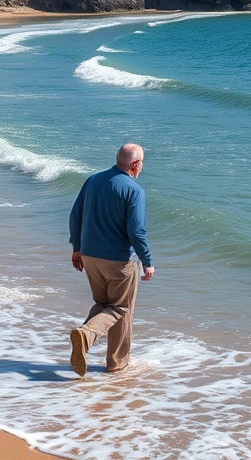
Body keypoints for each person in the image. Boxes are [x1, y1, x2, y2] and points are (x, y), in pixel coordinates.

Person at [68, 143, 154, 376]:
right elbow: (136, 232)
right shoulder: (134, 190)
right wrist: (147, 261)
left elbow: (75, 216)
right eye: (142, 162)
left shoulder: (93, 180)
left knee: (103, 304)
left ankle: (87, 343)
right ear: (135, 164)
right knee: (120, 308)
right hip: (118, 261)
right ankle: (104, 352)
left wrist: (77, 248)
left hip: (90, 257)